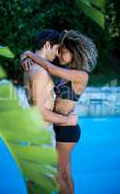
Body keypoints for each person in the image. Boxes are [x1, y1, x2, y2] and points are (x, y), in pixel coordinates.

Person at [21, 29, 98, 194]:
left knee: (59, 174)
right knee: (66, 174)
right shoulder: (68, 74)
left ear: (74, 53)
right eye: (59, 51)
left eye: (63, 52)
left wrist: (27, 53)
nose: (60, 56)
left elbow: (50, 68)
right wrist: (26, 57)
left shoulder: (81, 75)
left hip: (67, 129)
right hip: (61, 125)